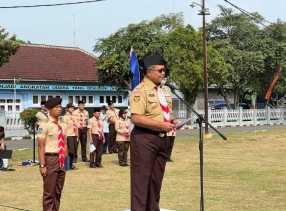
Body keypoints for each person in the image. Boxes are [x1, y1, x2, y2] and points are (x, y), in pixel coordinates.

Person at [129, 52, 175, 211]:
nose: (164, 73)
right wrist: (161, 126)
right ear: (149, 71)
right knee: (141, 184)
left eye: (164, 70)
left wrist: (169, 121)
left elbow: (160, 114)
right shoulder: (140, 90)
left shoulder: (161, 91)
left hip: (161, 140)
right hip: (144, 140)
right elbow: (136, 118)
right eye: (160, 70)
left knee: (155, 183)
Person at [37, 97, 68, 211]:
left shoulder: (63, 124)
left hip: (61, 160)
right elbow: (41, 146)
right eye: (56, 107)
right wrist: (42, 165)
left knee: (58, 191)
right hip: (50, 159)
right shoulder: (43, 124)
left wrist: (66, 160)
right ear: (49, 109)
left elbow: (64, 143)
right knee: (49, 192)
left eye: (60, 107)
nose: (59, 109)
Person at [62, 103, 78, 169]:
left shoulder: (74, 117)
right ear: (67, 109)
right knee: (70, 151)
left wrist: (77, 135)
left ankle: (71, 165)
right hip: (68, 135)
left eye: (73, 108)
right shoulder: (65, 117)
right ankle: (67, 165)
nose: (72, 109)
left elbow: (76, 126)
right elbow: (63, 128)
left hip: (74, 135)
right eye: (71, 108)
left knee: (73, 151)